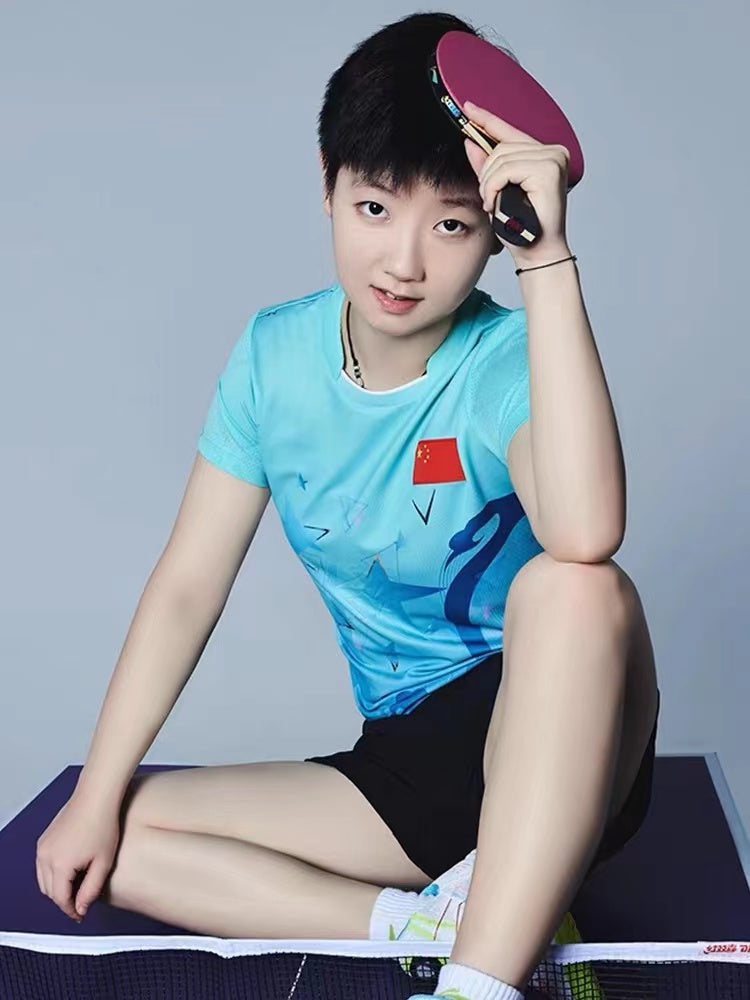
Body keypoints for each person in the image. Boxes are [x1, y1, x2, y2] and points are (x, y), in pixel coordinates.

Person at [35, 11, 660, 1000]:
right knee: (119, 834)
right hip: (411, 763)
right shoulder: (272, 357)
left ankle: (475, 987)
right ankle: (433, 922)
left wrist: (546, 261)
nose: (404, 262)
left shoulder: (510, 357)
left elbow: (586, 535)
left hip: (561, 727)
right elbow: (188, 585)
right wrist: (96, 788)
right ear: (326, 184)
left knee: (578, 587)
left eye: (452, 223)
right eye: (374, 207)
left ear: (493, 230)